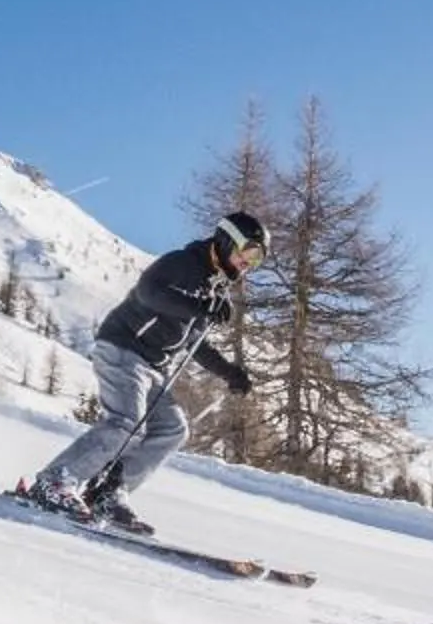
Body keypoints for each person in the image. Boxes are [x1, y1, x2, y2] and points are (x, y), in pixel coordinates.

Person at [20, 211, 264, 526]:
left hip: (153, 366)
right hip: (124, 348)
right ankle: (55, 482)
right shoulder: (184, 263)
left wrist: (229, 372)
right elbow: (150, 290)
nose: (249, 261)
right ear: (228, 239)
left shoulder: (216, 289)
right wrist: (201, 306)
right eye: (248, 250)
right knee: (125, 422)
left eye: (257, 259)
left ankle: (109, 493)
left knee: (173, 429)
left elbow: (194, 342)